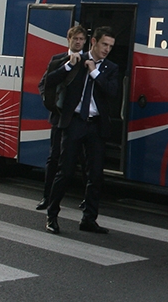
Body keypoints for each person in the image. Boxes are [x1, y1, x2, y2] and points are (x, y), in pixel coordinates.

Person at [43, 26, 119, 235]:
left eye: (110, 46)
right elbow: (49, 81)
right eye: (104, 44)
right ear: (93, 42)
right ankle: (52, 215)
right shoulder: (76, 60)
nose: (107, 49)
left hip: (96, 125)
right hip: (74, 122)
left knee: (95, 175)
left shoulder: (110, 68)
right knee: (65, 171)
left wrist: (94, 72)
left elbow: (112, 91)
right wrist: (69, 66)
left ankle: (89, 219)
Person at [36, 24, 87, 211]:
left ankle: (87, 199)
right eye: (75, 39)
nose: (78, 42)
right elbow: (45, 83)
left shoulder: (89, 62)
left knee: (84, 160)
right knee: (54, 157)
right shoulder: (58, 60)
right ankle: (47, 196)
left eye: (81, 39)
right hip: (60, 117)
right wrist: (68, 66)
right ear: (69, 40)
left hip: (80, 120)